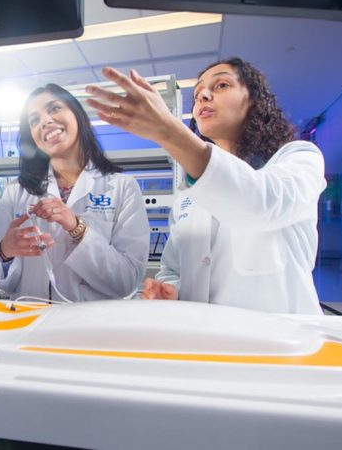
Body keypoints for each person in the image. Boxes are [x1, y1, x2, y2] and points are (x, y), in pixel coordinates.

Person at [85, 57, 325, 314]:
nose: (204, 96)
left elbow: (262, 203)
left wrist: (169, 132)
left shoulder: (299, 158)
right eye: (198, 93)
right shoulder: (189, 192)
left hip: (284, 343)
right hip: (205, 337)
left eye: (221, 85)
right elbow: (173, 268)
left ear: (254, 99)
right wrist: (171, 291)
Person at [0, 84, 149, 302]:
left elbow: (126, 281)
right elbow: (2, 281)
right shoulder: (15, 193)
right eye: (34, 120)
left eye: (54, 109)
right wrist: (5, 252)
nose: (45, 121)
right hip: (31, 322)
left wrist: (76, 227)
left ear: (77, 114)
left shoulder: (123, 188)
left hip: (91, 328)